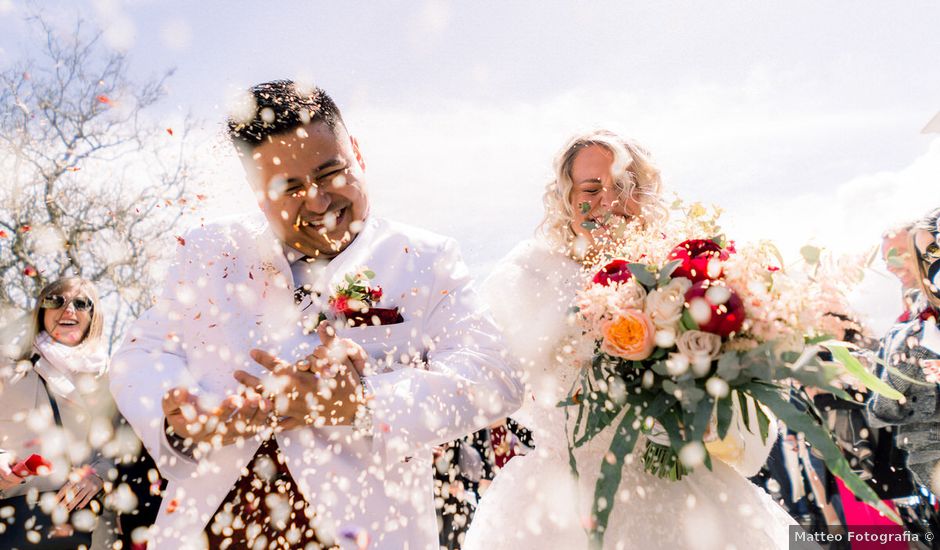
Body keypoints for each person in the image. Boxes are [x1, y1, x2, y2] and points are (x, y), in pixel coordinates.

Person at [108, 80, 523, 549]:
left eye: (330, 174)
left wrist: (363, 402)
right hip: (214, 526)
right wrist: (180, 411)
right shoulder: (209, 250)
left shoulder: (426, 259)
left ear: (357, 153)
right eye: (290, 187)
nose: (319, 202)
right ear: (257, 191)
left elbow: (495, 377)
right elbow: (141, 351)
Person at [463, 130, 795, 549]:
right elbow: (502, 379)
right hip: (563, 499)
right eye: (591, 188)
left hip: (679, 484)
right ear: (566, 198)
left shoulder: (686, 270)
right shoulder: (530, 276)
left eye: (623, 186)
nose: (608, 200)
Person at [0, 277, 114, 548]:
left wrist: (97, 476)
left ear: (93, 315)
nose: (69, 309)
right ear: (42, 309)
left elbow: (117, 445)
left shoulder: (109, 378)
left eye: (81, 303)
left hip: (73, 518)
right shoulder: (8, 363)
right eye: (56, 300)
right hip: (10, 509)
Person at [868, 207, 940, 492]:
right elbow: (884, 407)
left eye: (897, 254)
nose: (890, 266)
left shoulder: (917, 326)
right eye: (885, 260)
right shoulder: (910, 329)